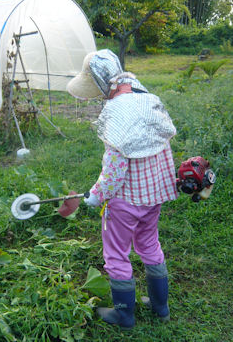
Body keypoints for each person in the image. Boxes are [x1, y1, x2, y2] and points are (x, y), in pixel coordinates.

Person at [66, 49, 178, 329]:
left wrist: (95, 195)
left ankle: (124, 316)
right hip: (154, 196)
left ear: (102, 84)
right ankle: (161, 308)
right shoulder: (149, 100)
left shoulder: (115, 112)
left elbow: (114, 172)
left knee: (116, 254)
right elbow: (164, 150)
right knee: (149, 245)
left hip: (125, 202)